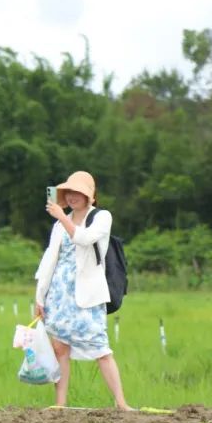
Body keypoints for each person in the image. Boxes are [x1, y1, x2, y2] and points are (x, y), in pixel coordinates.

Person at [34, 171, 131, 410]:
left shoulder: (101, 217)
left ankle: (121, 403)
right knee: (59, 348)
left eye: (79, 192)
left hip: (87, 294)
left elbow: (84, 239)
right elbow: (49, 260)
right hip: (59, 293)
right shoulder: (59, 224)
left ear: (91, 196)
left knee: (101, 348)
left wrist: (63, 219)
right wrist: (40, 296)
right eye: (69, 193)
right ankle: (60, 403)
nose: (73, 197)